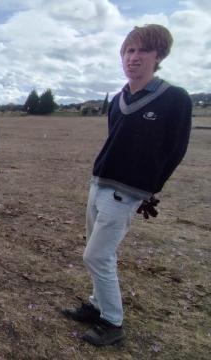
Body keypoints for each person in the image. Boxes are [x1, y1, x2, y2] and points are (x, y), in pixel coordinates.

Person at [61, 24, 192, 346]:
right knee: (98, 251)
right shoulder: (119, 98)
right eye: (128, 51)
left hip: (127, 191)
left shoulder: (175, 98)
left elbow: (175, 150)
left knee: (97, 256)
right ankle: (96, 304)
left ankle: (113, 322)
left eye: (142, 51)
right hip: (100, 182)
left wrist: (150, 188)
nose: (133, 58)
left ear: (158, 55)